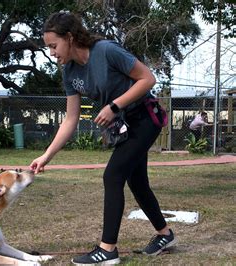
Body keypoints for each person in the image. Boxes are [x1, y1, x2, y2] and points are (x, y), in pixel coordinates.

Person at [29, 12, 176, 265]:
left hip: (144, 119)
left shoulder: (106, 51)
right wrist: (46, 155)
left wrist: (114, 106)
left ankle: (108, 250)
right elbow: (70, 119)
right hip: (124, 126)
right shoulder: (69, 72)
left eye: (54, 46)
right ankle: (165, 234)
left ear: (70, 38)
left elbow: (147, 78)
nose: (52, 53)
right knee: (137, 181)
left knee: (113, 175)